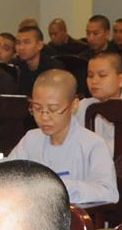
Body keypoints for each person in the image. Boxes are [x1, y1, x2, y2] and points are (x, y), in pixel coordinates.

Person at [7, 70, 115, 207]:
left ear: (74, 105)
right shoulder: (31, 139)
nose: (44, 117)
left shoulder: (93, 144)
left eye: (53, 109)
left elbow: (109, 192)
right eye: (37, 108)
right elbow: (7, 175)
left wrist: (59, 186)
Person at [15, 24, 58, 94]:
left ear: (39, 45)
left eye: (27, 42)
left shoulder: (54, 69)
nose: (21, 47)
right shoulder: (15, 67)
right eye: (18, 43)